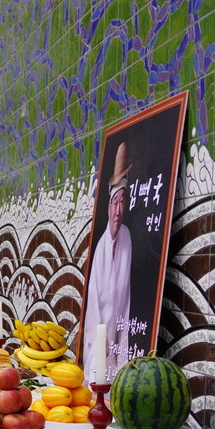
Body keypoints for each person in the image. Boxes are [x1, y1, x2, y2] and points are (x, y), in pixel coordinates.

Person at [83, 142, 133, 381]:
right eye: (115, 203)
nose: (118, 211)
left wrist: (122, 359)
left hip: (118, 350)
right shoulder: (100, 248)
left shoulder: (127, 239)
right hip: (97, 351)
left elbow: (126, 304)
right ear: (108, 206)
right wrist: (97, 360)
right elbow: (93, 313)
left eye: (123, 202)